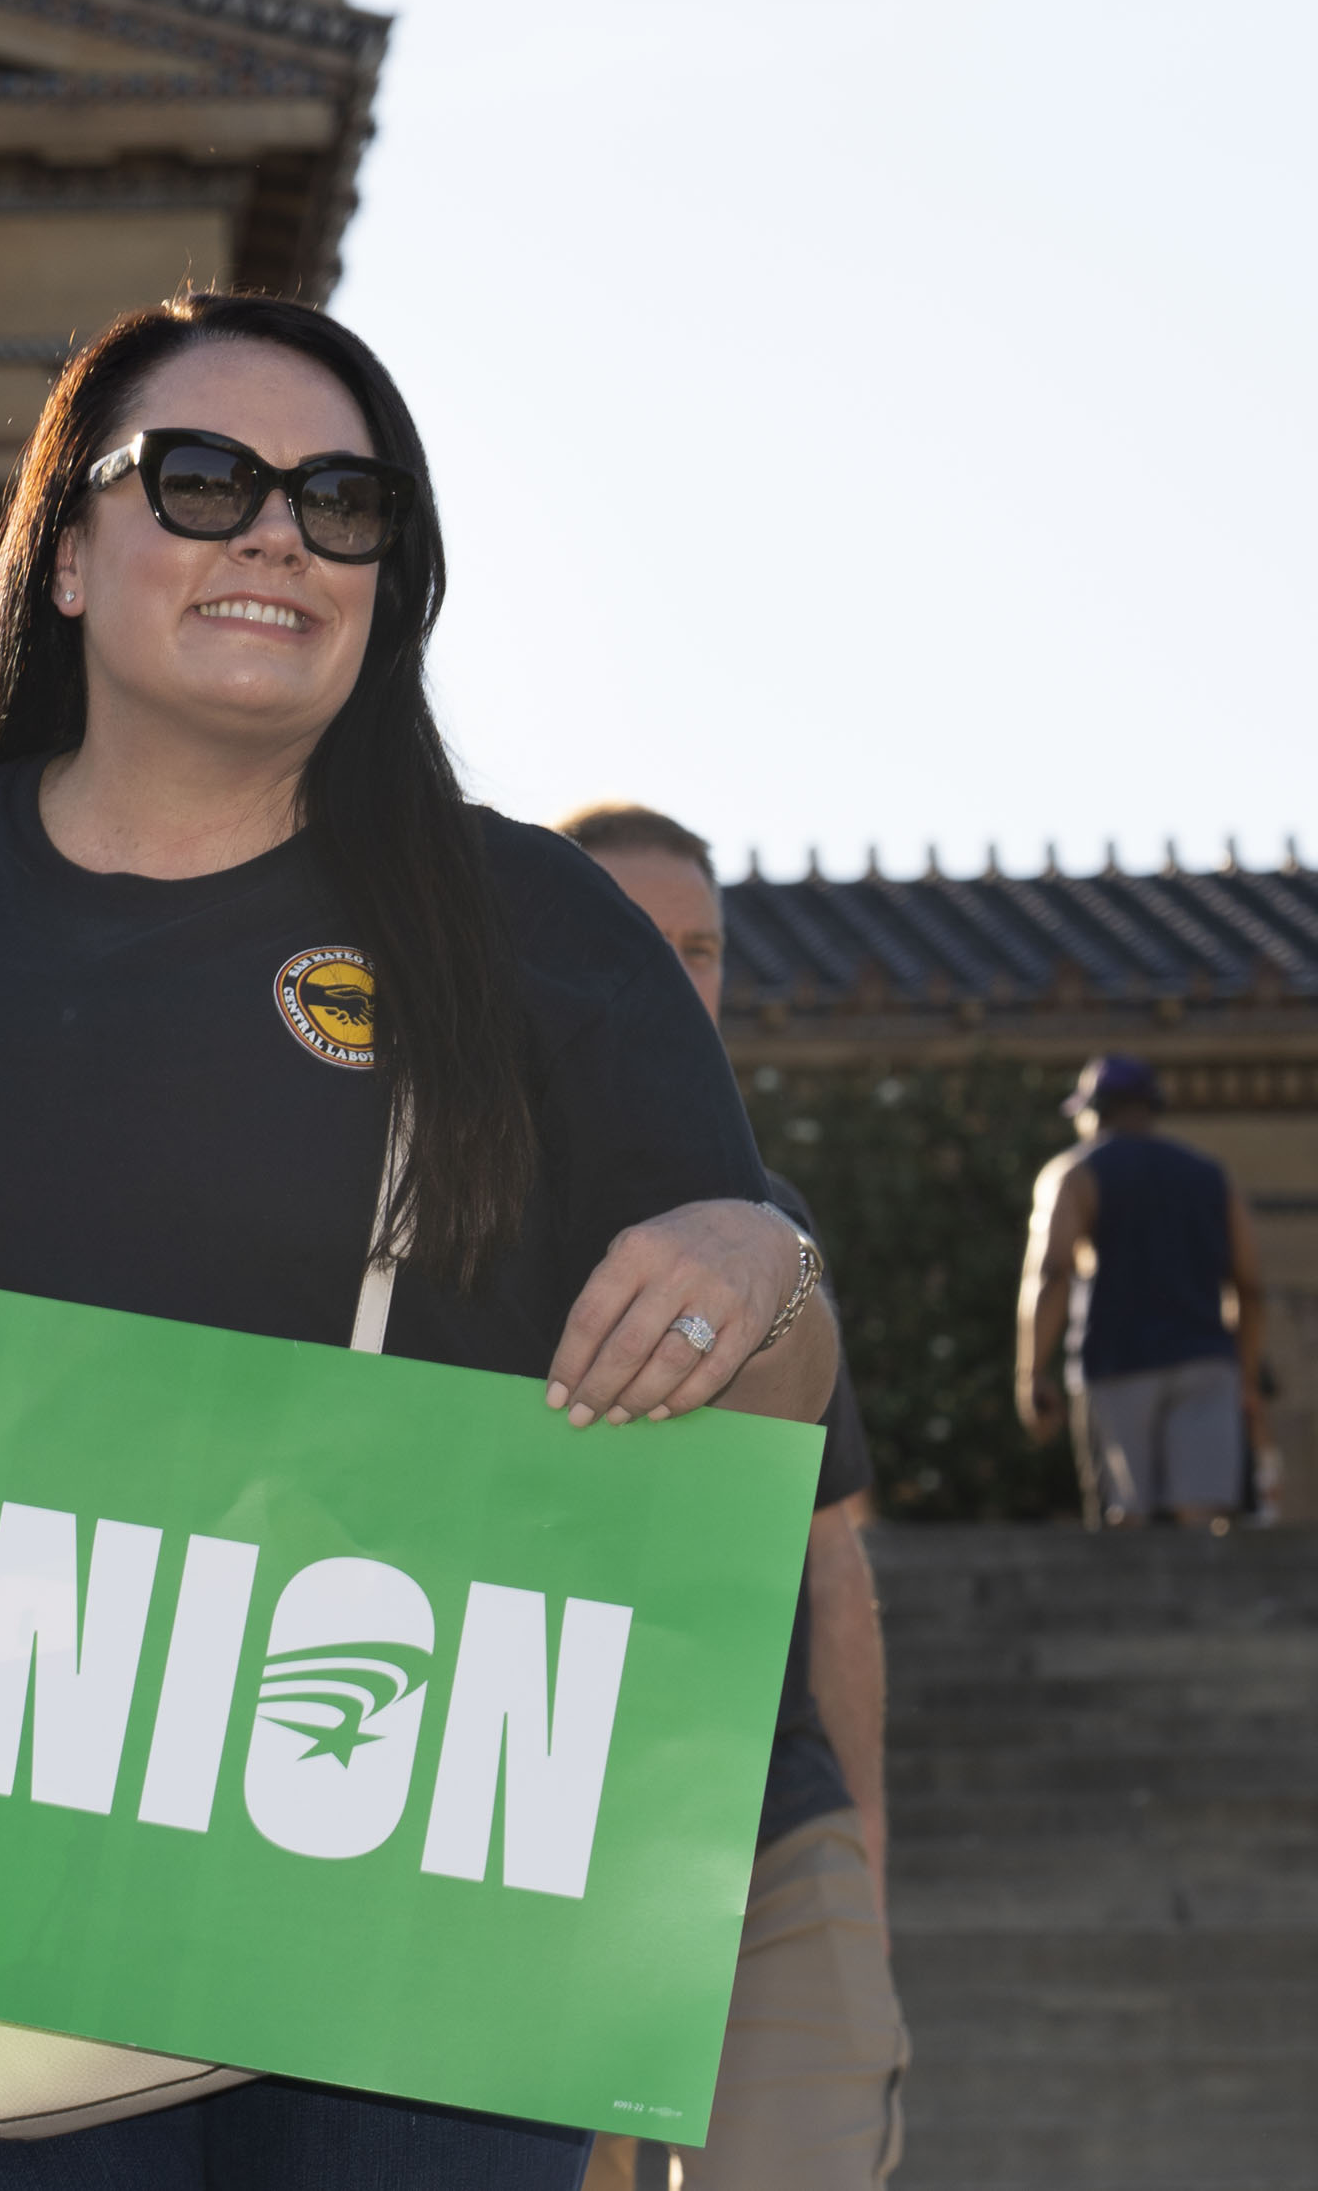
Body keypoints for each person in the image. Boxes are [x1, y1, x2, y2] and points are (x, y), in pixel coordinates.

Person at [0, 291, 843, 2191]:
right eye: (207, 479)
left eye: (342, 501)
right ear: (66, 549)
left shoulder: (536, 927)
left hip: (417, 1888)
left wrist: (760, 1267)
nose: (276, 534)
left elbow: (773, 1399)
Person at [558, 802, 904, 2191]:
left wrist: (862, 1835)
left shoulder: (773, 1215)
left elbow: (834, 1565)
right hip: (509, 1815)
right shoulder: (427, 1200)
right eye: (635, 940)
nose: (678, 974)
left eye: (700, 944)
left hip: (768, 1816)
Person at [1018, 1054, 1271, 1527]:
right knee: (1203, 1520)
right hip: (1206, 1364)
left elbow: (1051, 1274)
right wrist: (1248, 1378)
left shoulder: (1075, 1174)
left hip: (1117, 1363)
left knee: (1126, 1519)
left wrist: (1030, 1373)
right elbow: (1250, 1287)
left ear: (1093, 1112)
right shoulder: (1213, 1176)